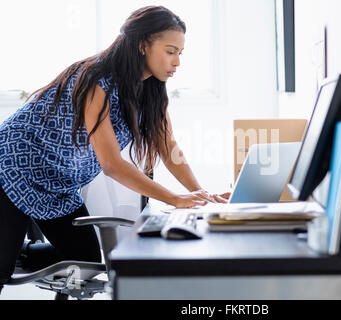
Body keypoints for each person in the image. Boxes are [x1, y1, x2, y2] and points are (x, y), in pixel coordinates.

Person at [0, 5, 230, 294]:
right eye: (171, 51)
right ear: (143, 45)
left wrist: (200, 195)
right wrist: (174, 198)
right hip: (13, 164)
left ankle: (21, 252)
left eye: (180, 53)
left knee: (83, 261)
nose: (177, 62)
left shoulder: (151, 90)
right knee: (0, 271)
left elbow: (168, 146)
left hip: (58, 181)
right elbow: (111, 164)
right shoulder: (97, 79)